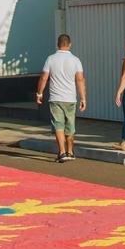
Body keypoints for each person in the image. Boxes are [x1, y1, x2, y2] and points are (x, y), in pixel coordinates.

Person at [35, 34, 86, 164]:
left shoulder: (51, 59)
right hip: (70, 98)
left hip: (55, 98)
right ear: (70, 44)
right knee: (70, 126)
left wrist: (39, 93)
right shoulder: (76, 60)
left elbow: (44, 77)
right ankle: (70, 151)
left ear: (58, 44)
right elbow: (80, 79)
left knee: (58, 125)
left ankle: (62, 152)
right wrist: (83, 98)